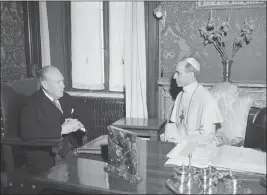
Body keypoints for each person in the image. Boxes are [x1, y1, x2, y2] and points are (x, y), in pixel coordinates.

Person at [20, 65, 86, 173]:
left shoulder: (65, 97)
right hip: (47, 157)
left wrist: (78, 124)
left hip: (71, 149)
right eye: (58, 82)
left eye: (63, 81)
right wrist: (61, 130)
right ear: (45, 84)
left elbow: (83, 114)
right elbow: (27, 132)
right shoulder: (31, 104)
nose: (63, 86)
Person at [160, 58, 223, 145]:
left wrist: (183, 141)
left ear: (191, 74)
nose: (174, 76)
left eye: (178, 73)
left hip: (201, 147)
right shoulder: (180, 95)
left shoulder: (206, 98)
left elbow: (208, 135)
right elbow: (175, 126)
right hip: (180, 145)